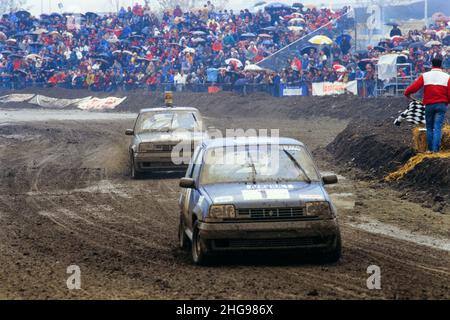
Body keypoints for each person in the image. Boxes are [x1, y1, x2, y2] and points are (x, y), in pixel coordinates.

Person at [404, 58, 450, 153]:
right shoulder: (447, 77)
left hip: (429, 105)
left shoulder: (425, 76)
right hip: (441, 105)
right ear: (441, 65)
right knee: (437, 127)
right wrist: (447, 102)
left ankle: (429, 149)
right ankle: (435, 150)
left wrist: (407, 93)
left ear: (431, 64)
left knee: (429, 127)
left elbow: (414, 87)